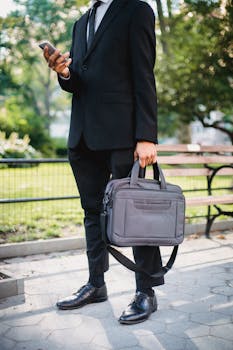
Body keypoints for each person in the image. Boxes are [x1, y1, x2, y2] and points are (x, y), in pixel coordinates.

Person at [43, 0, 164, 325]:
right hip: (83, 135)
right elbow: (79, 80)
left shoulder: (136, 10)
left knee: (136, 214)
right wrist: (64, 71)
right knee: (92, 213)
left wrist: (146, 135)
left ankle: (146, 292)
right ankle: (96, 284)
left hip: (124, 134)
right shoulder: (81, 22)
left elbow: (144, 73)